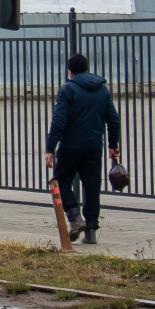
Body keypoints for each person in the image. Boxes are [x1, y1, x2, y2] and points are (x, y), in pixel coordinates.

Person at [45, 53, 121, 245]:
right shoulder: (101, 90)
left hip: (70, 146)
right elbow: (114, 120)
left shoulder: (68, 90)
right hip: (94, 147)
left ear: (70, 72)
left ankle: (74, 217)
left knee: (61, 180)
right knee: (92, 186)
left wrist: (50, 148)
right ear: (87, 69)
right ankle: (92, 231)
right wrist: (113, 146)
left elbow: (59, 121)